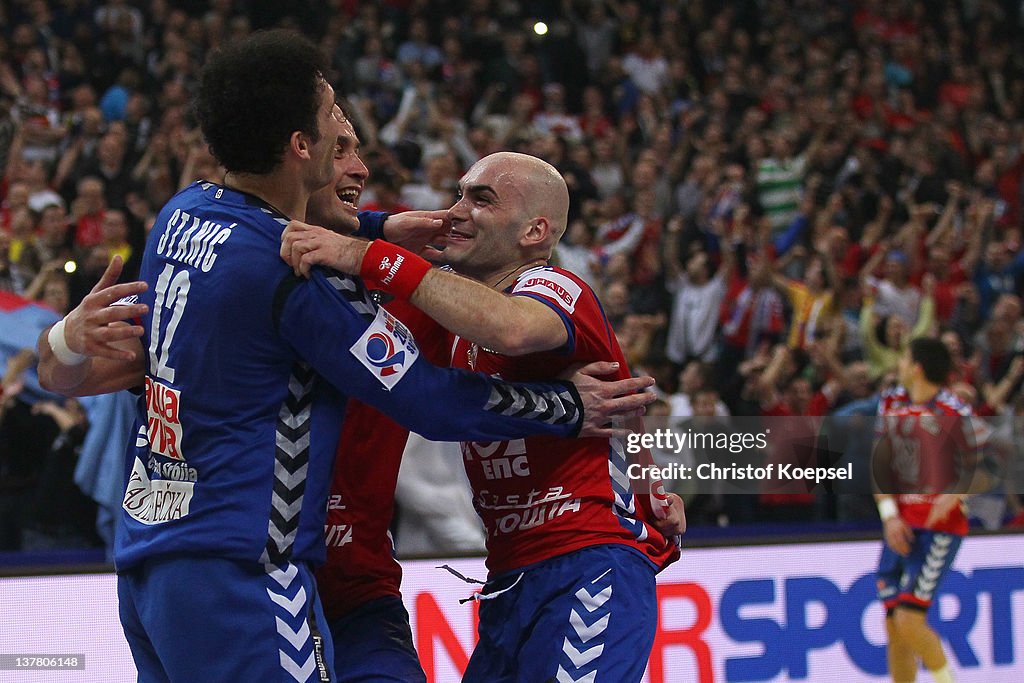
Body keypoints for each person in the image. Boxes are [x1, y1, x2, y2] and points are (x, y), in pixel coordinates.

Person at [36, 33, 654, 683]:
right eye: (340, 137)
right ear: (302, 151)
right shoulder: (302, 282)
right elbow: (433, 396)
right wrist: (566, 408)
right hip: (249, 568)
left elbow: (540, 339)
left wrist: (643, 480)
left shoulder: (184, 216)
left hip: (233, 572)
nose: (355, 162)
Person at [281, 151, 684, 682]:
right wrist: (652, 491)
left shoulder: (554, 287)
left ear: (536, 230)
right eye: (459, 193)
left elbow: (513, 329)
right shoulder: (449, 315)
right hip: (509, 580)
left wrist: (368, 254)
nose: (457, 210)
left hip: (586, 564)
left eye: (482, 199)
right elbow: (621, 411)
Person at [873, 337, 989, 683]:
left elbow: (991, 465)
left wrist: (955, 494)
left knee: (910, 619)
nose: (900, 364)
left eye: (905, 358)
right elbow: (880, 466)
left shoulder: (953, 410)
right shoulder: (891, 401)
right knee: (894, 625)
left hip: (940, 530)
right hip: (901, 526)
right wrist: (889, 515)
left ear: (917, 367)